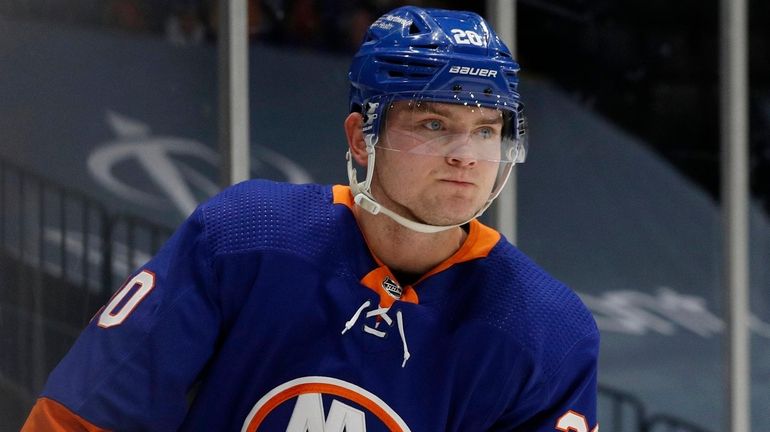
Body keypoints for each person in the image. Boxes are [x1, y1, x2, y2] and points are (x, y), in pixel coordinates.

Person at [23, 6, 599, 431]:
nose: (465, 155)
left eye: (486, 130)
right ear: (362, 138)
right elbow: (80, 417)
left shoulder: (548, 331)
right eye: (433, 124)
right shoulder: (244, 238)